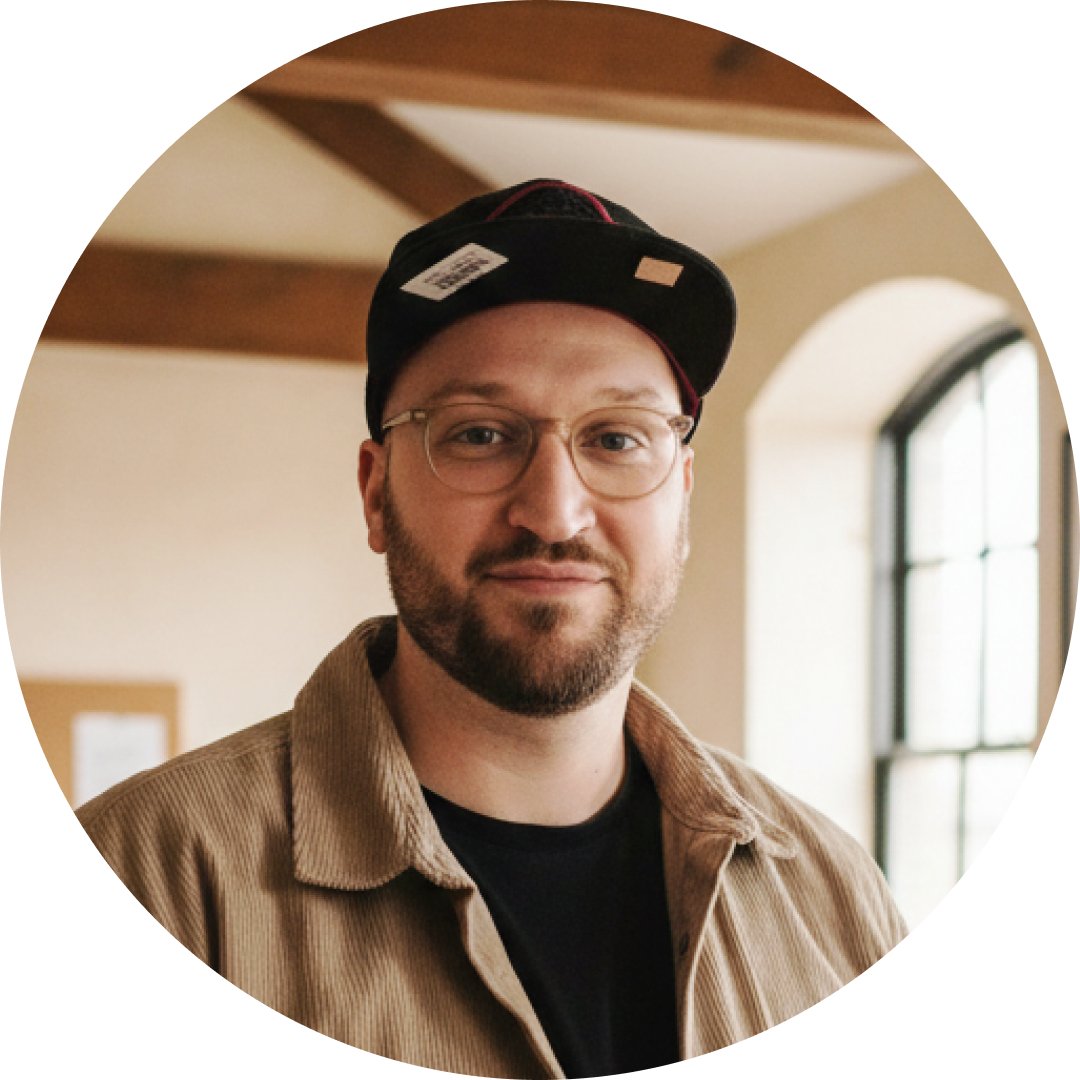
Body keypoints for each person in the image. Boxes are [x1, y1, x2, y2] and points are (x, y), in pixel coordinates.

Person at [75, 179, 907, 1076]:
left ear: (683, 496)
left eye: (617, 438)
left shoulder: (830, 893)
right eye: (479, 434)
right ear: (376, 494)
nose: (553, 512)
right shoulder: (158, 877)